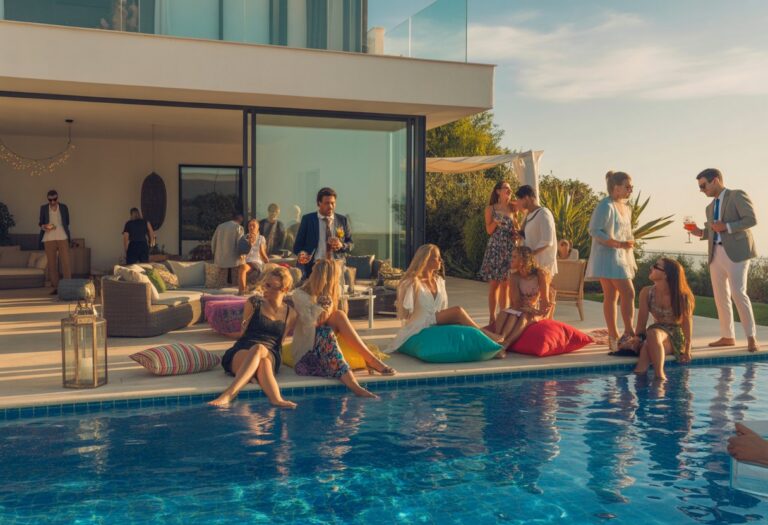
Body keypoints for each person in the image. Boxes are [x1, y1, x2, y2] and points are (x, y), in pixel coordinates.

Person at [291, 259, 394, 398]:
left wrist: (327, 301)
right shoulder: (299, 295)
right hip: (308, 356)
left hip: (327, 345)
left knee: (337, 316)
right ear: (327, 279)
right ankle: (356, 384)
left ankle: (371, 361)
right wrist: (323, 303)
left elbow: (340, 316)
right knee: (327, 332)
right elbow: (313, 322)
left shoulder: (332, 293)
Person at [687, 168, 759, 352]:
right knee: (720, 297)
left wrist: (726, 226)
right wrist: (700, 233)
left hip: (737, 253)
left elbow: (751, 219)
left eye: (703, 185)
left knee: (738, 293)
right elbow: (713, 231)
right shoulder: (709, 207)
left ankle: (751, 338)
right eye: (700, 187)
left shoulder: (737, 195)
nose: (701, 190)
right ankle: (727, 337)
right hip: (715, 254)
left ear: (716, 181)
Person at [209, 266, 298, 408]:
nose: (265, 288)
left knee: (261, 352)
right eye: (265, 284)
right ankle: (275, 399)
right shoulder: (254, 303)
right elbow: (243, 332)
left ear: (284, 290)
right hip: (244, 349)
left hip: (271, 353)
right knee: (259, 354)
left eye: (270, 286)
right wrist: (225, 333)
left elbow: (279, 342)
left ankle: (235, 390)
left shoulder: (291, 314)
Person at [389, 244, 502, 352]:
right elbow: (406, 314)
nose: (440, 260)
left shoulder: (439, 281)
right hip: (421, 324)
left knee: (465, 328)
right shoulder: (412, 283)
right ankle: (486, 334)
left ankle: (491, 347)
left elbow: (443, 308)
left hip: (437, 321)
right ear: (426, 260)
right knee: (458, 311)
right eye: (437, 258)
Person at [586, 171, 637, 352]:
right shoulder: (605, 206)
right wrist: (618, 243)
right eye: (627, 186)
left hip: (620, 254)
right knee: (628, 293)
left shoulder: (625, 207)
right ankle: (628, 333)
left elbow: (624, 231)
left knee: (612, 296)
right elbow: (594, 230)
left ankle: (614, 337)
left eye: (631, 187)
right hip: (608, 255)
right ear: (616, 188)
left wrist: (627, 243)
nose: (631, 190)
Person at [631, 258, 694, 381]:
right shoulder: (646, 292)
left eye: (656, 266)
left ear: (666, 274)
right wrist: (637, 338)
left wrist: (688, 348)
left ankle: (659, 376)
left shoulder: (683, 296)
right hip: (657, 332)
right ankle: (649, 378)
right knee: (647, 344)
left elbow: (687, 322)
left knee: (649, 341)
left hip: (675, 335)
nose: (651, 268)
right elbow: (641, 322)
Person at [495, 246, 553, 354]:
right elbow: (516, 303)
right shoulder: (514, 276)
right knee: (503, 313)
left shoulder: (540, 274)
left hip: (536, 311)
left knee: (524, 316)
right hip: (521, 309)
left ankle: (506, 343)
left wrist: (537, 311)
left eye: (514, 257)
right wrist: (524, 307)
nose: (511, 259)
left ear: (523, 260)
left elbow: (545, 300)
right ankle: (499, 339)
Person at [478, 180, 519, 327]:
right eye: (506, 188)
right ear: (498, 191)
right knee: (494, 285)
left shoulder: (514, 209)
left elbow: (517, 229)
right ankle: (491, 317)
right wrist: (496, 221)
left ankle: (503, 315)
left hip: (509, 249)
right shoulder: (490, 209)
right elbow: (489, 231)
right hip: (495, 248)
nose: (509, 191)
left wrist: (516, 234)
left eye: (510, 189)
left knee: (506, 285)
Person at [293, 188, 353, 279]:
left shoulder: (342, 220)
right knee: (314, 293)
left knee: (335, 293)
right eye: (327, 203)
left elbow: (351, 244)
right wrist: (302, 253)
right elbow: (297, 246)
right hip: (314, 267)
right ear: (319, 203)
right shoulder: (308, 219)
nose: (330, 206)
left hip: (336, 267)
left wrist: (341, 245)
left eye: (333, 203)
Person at [516, 185, 558, 277]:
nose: (518, 202)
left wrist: (530, 255)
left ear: (526, 198)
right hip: (531, 265)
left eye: (519, 199)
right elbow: (525, 237)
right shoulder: (529, 215)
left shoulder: (544, 213)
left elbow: (547, 241)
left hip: (542, 265)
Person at [38, 189, 71, 295]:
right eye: (50, 200)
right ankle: (56, 287)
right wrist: (44, 227)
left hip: (62, 237)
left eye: (54, 199)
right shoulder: (43, 208)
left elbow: (67, 221)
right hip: (48, 238)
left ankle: (68, 286)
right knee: (52, 264)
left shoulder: (64, 207)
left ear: (57, 198)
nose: (52, 202)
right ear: (48, 199)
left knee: (65, 262)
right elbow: (40, 223)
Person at [211, 211, 245, 284]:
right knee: (234, 283)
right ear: (240, 218)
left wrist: (214, 252)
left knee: (220, 281)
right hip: (234, 259)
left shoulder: (220, 226)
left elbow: (214, 240)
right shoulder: (238, 227)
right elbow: (240, 243)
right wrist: (242, 255)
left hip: (221, 257)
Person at [238, 219, 269, 294]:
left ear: (258, 227)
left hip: (257, 262)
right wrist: (249, 245)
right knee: (242, 267)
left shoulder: (261, 238)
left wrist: (266, 259)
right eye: (249, 226)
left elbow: (263, 253)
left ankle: (242, 291)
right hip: (247, 262)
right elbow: (241, 252)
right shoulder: (244, 238)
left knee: (243, 267)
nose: (251, 227)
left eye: (253, 226)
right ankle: (242, 291)